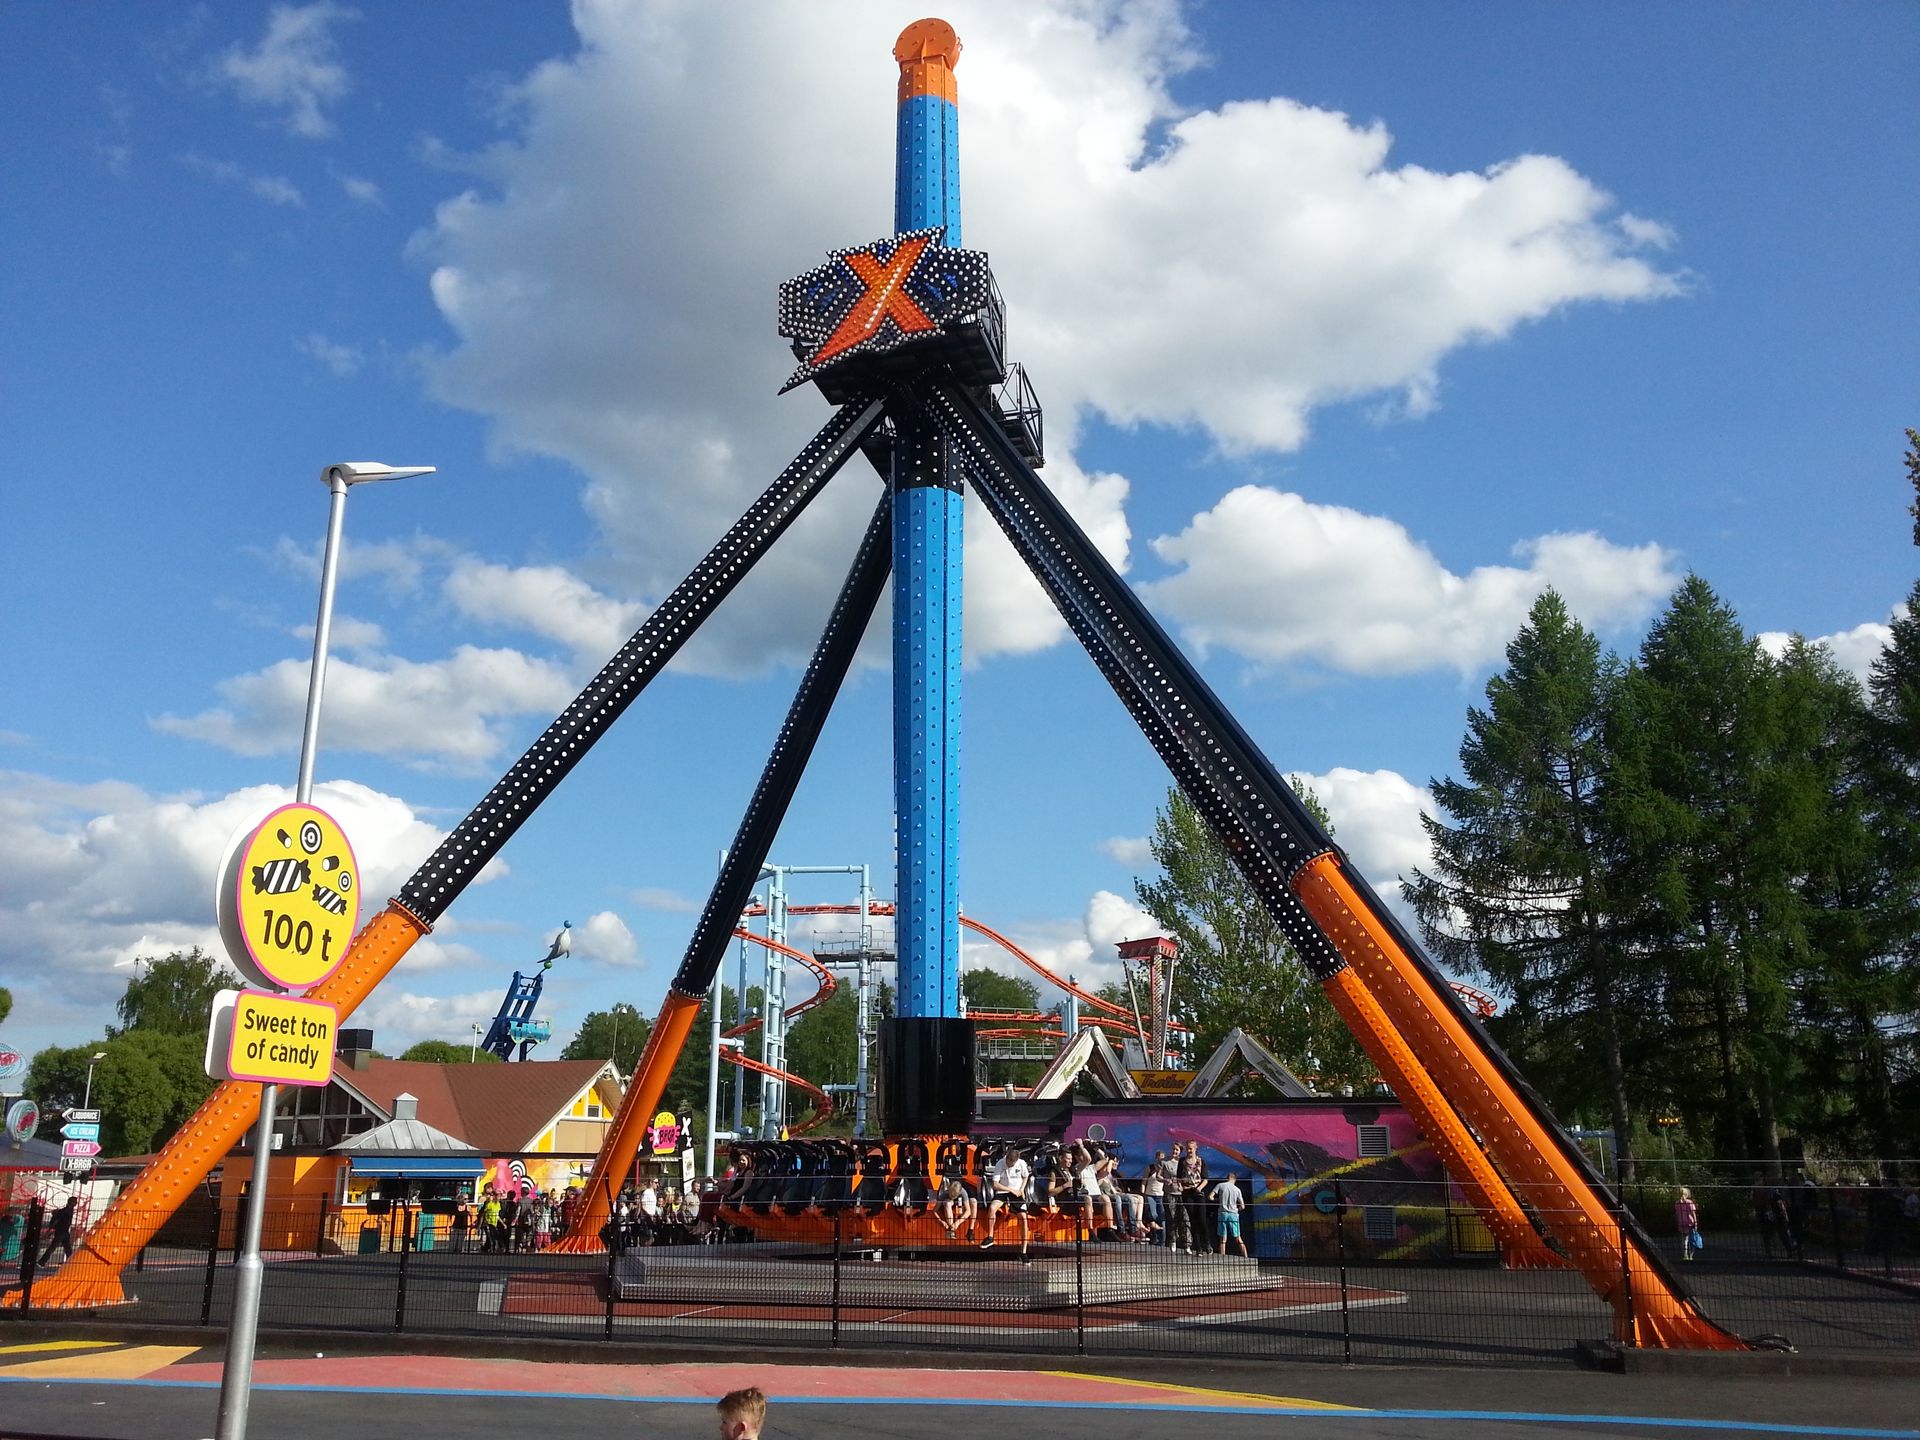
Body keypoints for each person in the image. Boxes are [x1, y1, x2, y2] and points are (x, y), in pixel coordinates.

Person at [982, 1146, 1033, 1261]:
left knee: (1023, 1218)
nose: (1010, 1164)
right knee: (992, 1208)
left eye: (1012, 1163)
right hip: (1003, 1191)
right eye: (1009, 1162)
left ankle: (1024, 1252)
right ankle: (990, 1237)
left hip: (1017, 1193)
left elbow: (1026, 1177)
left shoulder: (1022, 1163)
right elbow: (995, 1184)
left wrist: (1021, 1189)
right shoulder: (1000, 1163)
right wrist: (1010, 1190)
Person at [1212, 1173, 1249, 1257]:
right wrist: (1236, 1209)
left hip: (1223, 1213)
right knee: (1238, 1237)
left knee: (1222, 1239)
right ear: (1235, 1179)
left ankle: (1222, 1258)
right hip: (1233, 1214)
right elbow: (1243, 1206)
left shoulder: (1220, 1185)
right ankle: (1246, 1257)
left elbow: (1210, 1197)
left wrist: (1219, 1200)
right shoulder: (1237, 1190)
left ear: (1227, 1178)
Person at [38, 1194, 79, 1266]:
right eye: (75, 1202)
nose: (76, 1204)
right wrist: (50, 1228)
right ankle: (42, 1262)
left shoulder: (68, 1210)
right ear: (71, 1202)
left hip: (65, 1231)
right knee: (54, 1247)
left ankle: (71, 1262)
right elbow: (58, 1218)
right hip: (61, 1231)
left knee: (67, 1248)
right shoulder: (66, 1210)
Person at [1674, 1186, 1702, 1260]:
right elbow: (1693, 1213)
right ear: (1687, 1194)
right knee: (1692, 1239)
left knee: (1684, 1240)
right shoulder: (1689, 1202)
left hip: (1681, 1223)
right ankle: (1690, 1255)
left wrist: (1678, 1221)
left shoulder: (1677, 1203)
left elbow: (1677, 1214)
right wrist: (1695, 1222)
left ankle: (1685, 1255)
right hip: (1689, 1223)